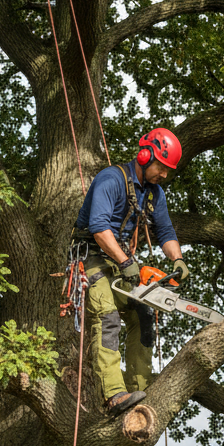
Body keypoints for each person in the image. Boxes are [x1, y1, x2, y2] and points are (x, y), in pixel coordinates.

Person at [71, 127, 190, 417]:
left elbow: (165, 230)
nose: (163, 175)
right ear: (145, 155)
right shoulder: (110, 179)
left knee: (143, 313)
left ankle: (141, 385)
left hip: (123, 263)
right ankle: (113, 395)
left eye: (168, 171)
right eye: (161, 168)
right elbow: (99, 228)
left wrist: (178, 260)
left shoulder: (154, 193)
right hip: (93, 260)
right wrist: (126, 262)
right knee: (108, 316)